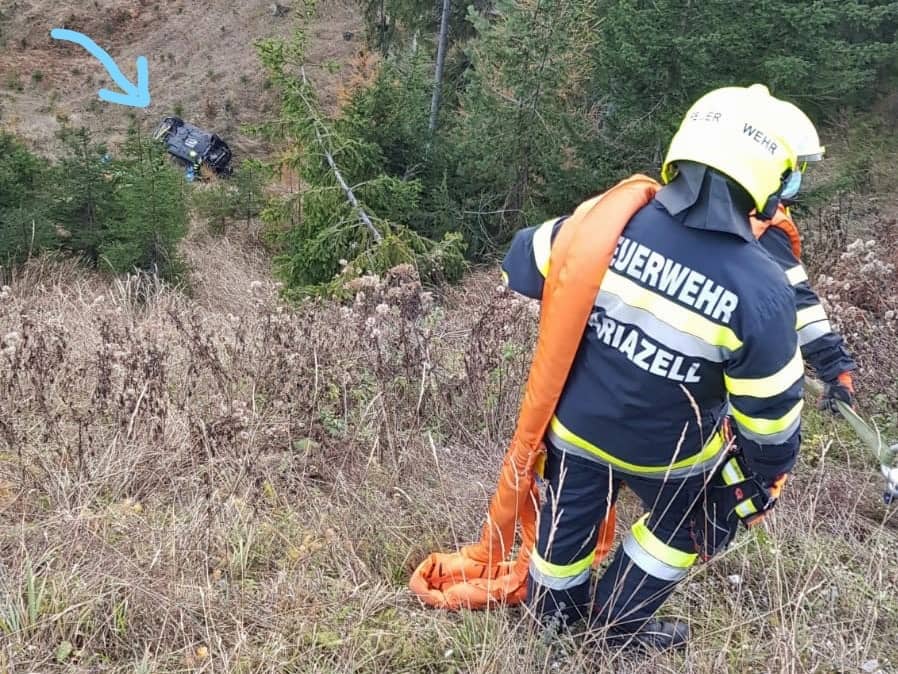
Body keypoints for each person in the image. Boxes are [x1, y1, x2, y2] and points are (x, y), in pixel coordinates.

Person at [500, 85, 810, 650]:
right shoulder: (760, 290)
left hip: (576, 432)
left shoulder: (606, 225)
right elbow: (771, 418)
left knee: (564, 529)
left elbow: (522, 262)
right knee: (687, 526)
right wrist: (763, 477)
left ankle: (551, 622)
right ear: (764, 178)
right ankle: (617, 623)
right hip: (674, 456)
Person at [748, 95, 857, 411]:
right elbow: (799, 304)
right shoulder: (761, 225)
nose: (797, 175)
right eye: (792, 167)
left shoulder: (685, 203)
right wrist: (838, 373)